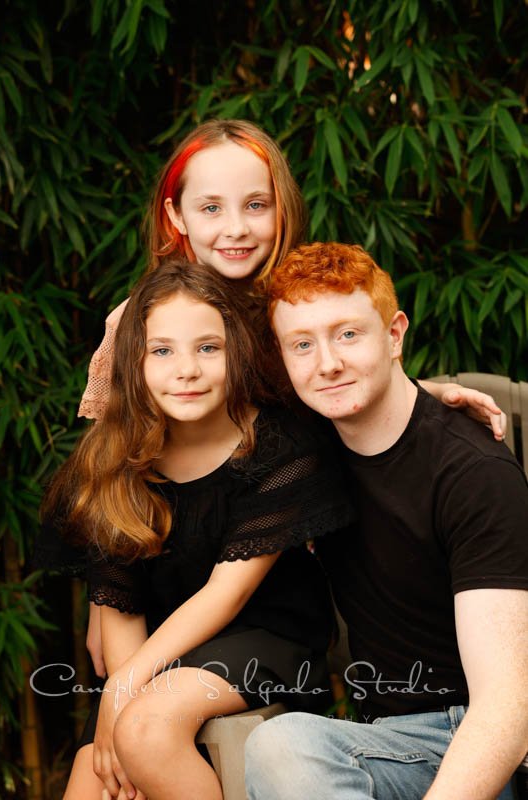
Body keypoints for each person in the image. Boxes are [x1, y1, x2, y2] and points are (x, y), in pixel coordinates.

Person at [68, 118, 507, 678]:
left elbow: (341, 380)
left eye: (256, 205)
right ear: (175, 216)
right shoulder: (137, 324)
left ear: (283, 209)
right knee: (113, 737)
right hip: (164, 570)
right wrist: (105, 600)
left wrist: (428, 392)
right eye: (210, 209)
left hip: (265, 575)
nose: (236, 228)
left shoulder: (288, 306)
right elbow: (112, 465)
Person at [40, 261, 354, 799]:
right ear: (132, 363)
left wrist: (125, 690)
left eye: (208, 348)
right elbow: (120, 603)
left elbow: (224, 597)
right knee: (93, 785)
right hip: (157, 656)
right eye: (161, 351)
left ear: (240, 353)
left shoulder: (277, 447)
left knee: (144, 730)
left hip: (266, 637)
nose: (186, 369)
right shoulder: (113, 462)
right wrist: (122, 689)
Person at [244, 241, 528, 800]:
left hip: (484, 741)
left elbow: (507, 709)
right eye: (302, 344)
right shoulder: (304, 453)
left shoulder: (472, 472)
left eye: (348, 334)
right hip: (386, 742)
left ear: (394, 335)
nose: (327, 362)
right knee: (281, 746)